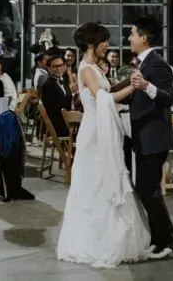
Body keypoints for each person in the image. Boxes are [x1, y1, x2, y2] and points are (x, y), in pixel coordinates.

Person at [57, 23, 151, 268]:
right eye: (104, 42)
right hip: (95, 132)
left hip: (101, 127)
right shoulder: (87, 69)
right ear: (92, 44)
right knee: (96, 180)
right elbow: (103, 99)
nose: (107, 45)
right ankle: (96, 241)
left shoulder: (94, 67)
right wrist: (133, 86)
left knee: (105, 178)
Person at [121, 16, 173, 259]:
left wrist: (146, 86)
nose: (129, 38)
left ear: (144, 37)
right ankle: (158, 240)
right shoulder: (143, 64)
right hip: (144, 136)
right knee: (147, 189)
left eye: (132, 33)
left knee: (148, 189)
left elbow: (168, 98)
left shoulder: (157, 65)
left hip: (155, 137)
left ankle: (170, 240)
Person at [40, 51, 71, 138]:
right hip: (59, 125)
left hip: (67, 120)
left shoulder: (63, 81)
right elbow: (51, 111)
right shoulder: (47, 85)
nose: (58, 69)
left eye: (60, 65)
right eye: (55, 66)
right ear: (48, 68)